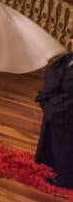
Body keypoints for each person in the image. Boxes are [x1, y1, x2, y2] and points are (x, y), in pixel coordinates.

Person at [35, 45, 73, 189]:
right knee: (56, 140)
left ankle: (66, 179)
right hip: (61, 105)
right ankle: (56, 166)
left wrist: (53, 104)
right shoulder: (68, 59)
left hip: (67, 111)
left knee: (65, 143)